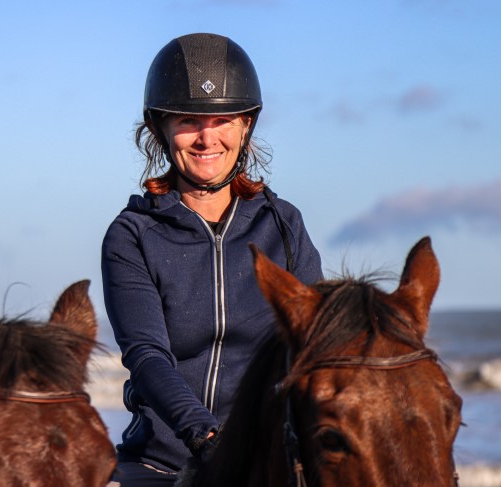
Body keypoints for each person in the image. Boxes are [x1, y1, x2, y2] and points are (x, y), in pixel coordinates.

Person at [101, 32, 323, 486]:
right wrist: (206, 433)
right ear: (161, 129)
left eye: (222, 120)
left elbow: (318, 344)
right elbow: (147, 355)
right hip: (160, 463)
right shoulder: (132, 235)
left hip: (270, 459)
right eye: (188, 120)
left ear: (245, 127)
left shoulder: (284, 226)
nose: (207, 138)